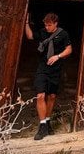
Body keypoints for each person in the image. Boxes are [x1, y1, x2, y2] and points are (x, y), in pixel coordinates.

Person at [25, 12, 72, 140]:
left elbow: (69, 49)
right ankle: (42, 126)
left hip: (56, 70)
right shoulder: (42, 32)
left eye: (49, 25)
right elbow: (30, 36)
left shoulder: (63, 34)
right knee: (40, 95)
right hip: (42, 68)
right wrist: (26, 23)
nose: (47, 27)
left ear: (56, 23)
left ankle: (47, 121)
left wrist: (58, 56)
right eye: (45, 25)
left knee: (51, 96)